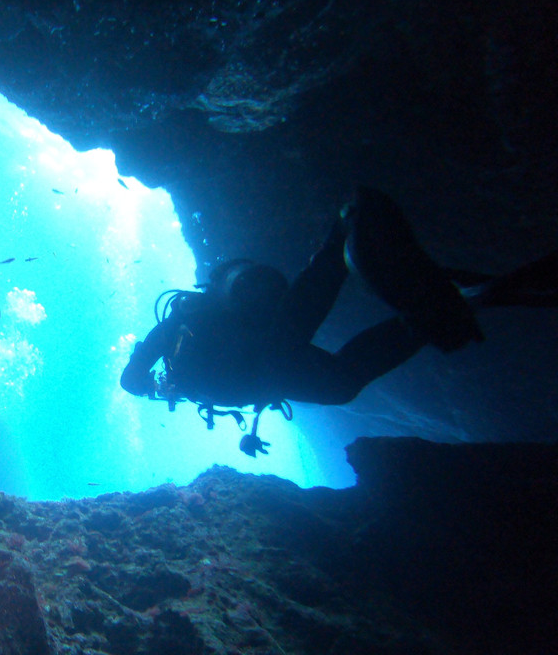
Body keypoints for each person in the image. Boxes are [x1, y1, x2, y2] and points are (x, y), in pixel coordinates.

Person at [120, 186, 558, 455]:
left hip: (264, 361)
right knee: (338, 381)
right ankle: (433, 312)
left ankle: (345, 232)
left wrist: (154, 386)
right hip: (272, 369)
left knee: (310, 347)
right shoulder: (190, 334)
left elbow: (130, 380)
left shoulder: (178, 324)